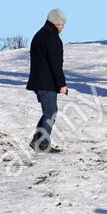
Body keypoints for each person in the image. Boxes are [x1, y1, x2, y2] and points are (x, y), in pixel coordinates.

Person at [26, 8, 68, 152]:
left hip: (39, 81)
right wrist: (61, 84)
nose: (63, 28)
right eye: (62, 25)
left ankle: (37, 140)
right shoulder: (52, 37)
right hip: (47, 82)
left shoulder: (40, 34)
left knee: (49, 111)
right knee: (50, 112)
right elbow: (55, 64)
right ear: (57, 23)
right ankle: (42, 144)